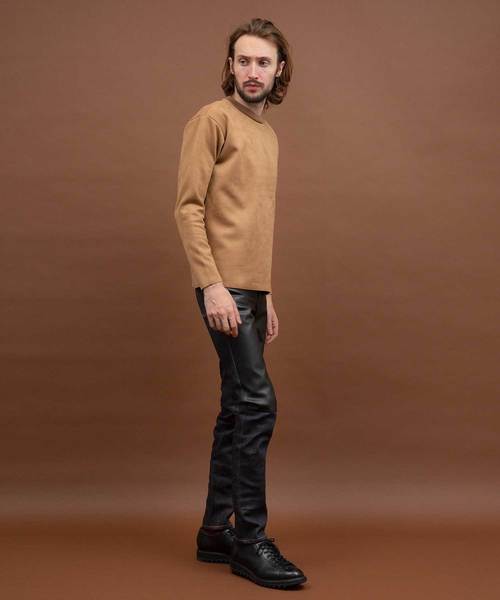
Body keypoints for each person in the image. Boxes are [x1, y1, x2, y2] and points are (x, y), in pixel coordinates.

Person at [174, 17, 307, 589]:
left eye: (263, 62)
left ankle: (214, 531)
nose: (253, 71)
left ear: (279, 70)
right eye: (244, 60)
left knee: (237, 406)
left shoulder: (268, 135)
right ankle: (250, 540)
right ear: (230, 66)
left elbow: (253, 223)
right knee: (258, 404)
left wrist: (265, 292)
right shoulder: (212, 120)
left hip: (250, 290)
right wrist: (212, 285)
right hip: (222, 288)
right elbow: (188, 208)